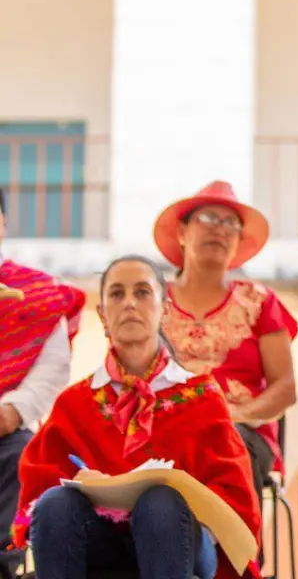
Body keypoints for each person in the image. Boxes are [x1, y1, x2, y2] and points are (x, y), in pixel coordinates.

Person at [11, 255, 261, 579]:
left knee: (159, 504)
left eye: (142, 292)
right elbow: (41, 483)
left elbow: (233, 497)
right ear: (102, 315)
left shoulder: (202, 399)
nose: (129, 303)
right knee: (56, 504)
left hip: (181, 540)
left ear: (165, 310)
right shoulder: (74, 404)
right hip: (97, 540)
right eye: (116, 294)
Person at [155, 181, 298, 498]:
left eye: (230, 223)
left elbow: (285, 388)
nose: (219, 229)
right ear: (182, 231)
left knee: (223, 445)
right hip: (164, 432)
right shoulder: (150, 299)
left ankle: (233, 548)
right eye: (208, 218)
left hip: (241, 433)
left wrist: (232, 416)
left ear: (238, 242)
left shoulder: (259, 301)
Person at [0, 186, 87, 579]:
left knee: (20, 453)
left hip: (4, 428)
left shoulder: (40, 294)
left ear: (2, 223)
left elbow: (52, 369)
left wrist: (10, 411)